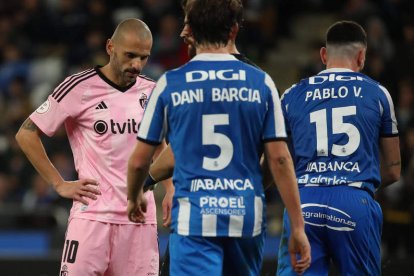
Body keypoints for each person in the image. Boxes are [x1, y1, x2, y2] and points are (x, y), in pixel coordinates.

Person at [127, 0, 311, 275]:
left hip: (195, 218)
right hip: (246, 216)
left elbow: (139, 161)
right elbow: (280, 159)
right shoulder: (261, 82)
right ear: (234, 30)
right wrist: (297, 225)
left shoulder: (171, 83)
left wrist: (134, 196)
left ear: (191, 30)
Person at [15, 18, 173, 275]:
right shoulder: (78, 87)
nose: (136, 65)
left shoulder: (152, 92)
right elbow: (26, 134)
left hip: (140, 220)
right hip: (92, 217)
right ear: (110, 47)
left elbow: (156, 143)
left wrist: (170, 187)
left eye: (143, 58)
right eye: (130, 55)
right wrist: (59, 183)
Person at [277, 20, 401, 275]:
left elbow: (276, 156)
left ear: (324, 54)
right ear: (362, 56)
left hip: (304, 201)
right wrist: (356, 185)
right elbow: (393, 169)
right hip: (354, 199)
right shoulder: (378, 94)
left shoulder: (291, 95)